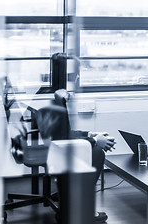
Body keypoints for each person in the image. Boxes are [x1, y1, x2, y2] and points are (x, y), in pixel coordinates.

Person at [37, 90, 115, 223]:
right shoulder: (59, 105)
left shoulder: (55, 100)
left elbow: (66, 134)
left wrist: (90, 134)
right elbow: (62, 139)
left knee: (95, 149)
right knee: (96, 153)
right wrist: (96, 141)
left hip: (51, 147)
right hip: (56, 149)